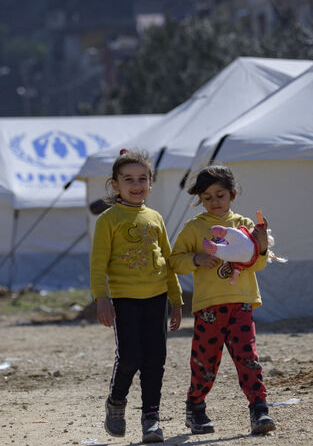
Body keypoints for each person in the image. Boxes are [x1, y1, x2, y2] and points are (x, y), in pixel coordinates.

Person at [168, 165, 278, 436]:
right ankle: (195, 408)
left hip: (241, 304)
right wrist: (197, 258)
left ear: (232, 194)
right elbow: (174, 261)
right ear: (200, 200)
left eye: (220, 195)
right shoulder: (194, 228)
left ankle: (260, 409)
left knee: (248, 357)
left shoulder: (246, 225)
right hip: (208, 307)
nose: (214, 202)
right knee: (205, 361)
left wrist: (262, 247)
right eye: (207, 197)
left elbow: (257, 264)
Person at [90, 149, 183, 443]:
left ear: (151, 183)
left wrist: (177, 300)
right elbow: (98, 264)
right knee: (130, 357)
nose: (136, 184)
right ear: (115, 184)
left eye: (143, 178)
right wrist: (102, 298)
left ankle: (151, 419)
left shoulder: (155, 217)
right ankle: (116, 402)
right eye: (128, 179)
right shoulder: (108, 219)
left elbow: (167, 262)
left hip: (156, 299)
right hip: (124, 300)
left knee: (155, 359)